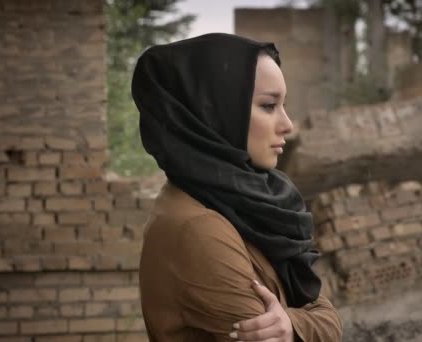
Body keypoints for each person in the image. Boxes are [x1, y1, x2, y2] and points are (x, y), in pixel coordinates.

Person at [132, 33, 343, 341]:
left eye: (284, 105)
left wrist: (292, 325)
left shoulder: (249, 206)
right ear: (214, 112)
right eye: (269, 106)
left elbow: (328, 315)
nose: (288, 124)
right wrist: (306, 322)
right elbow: (317, 317)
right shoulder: (199, 228)